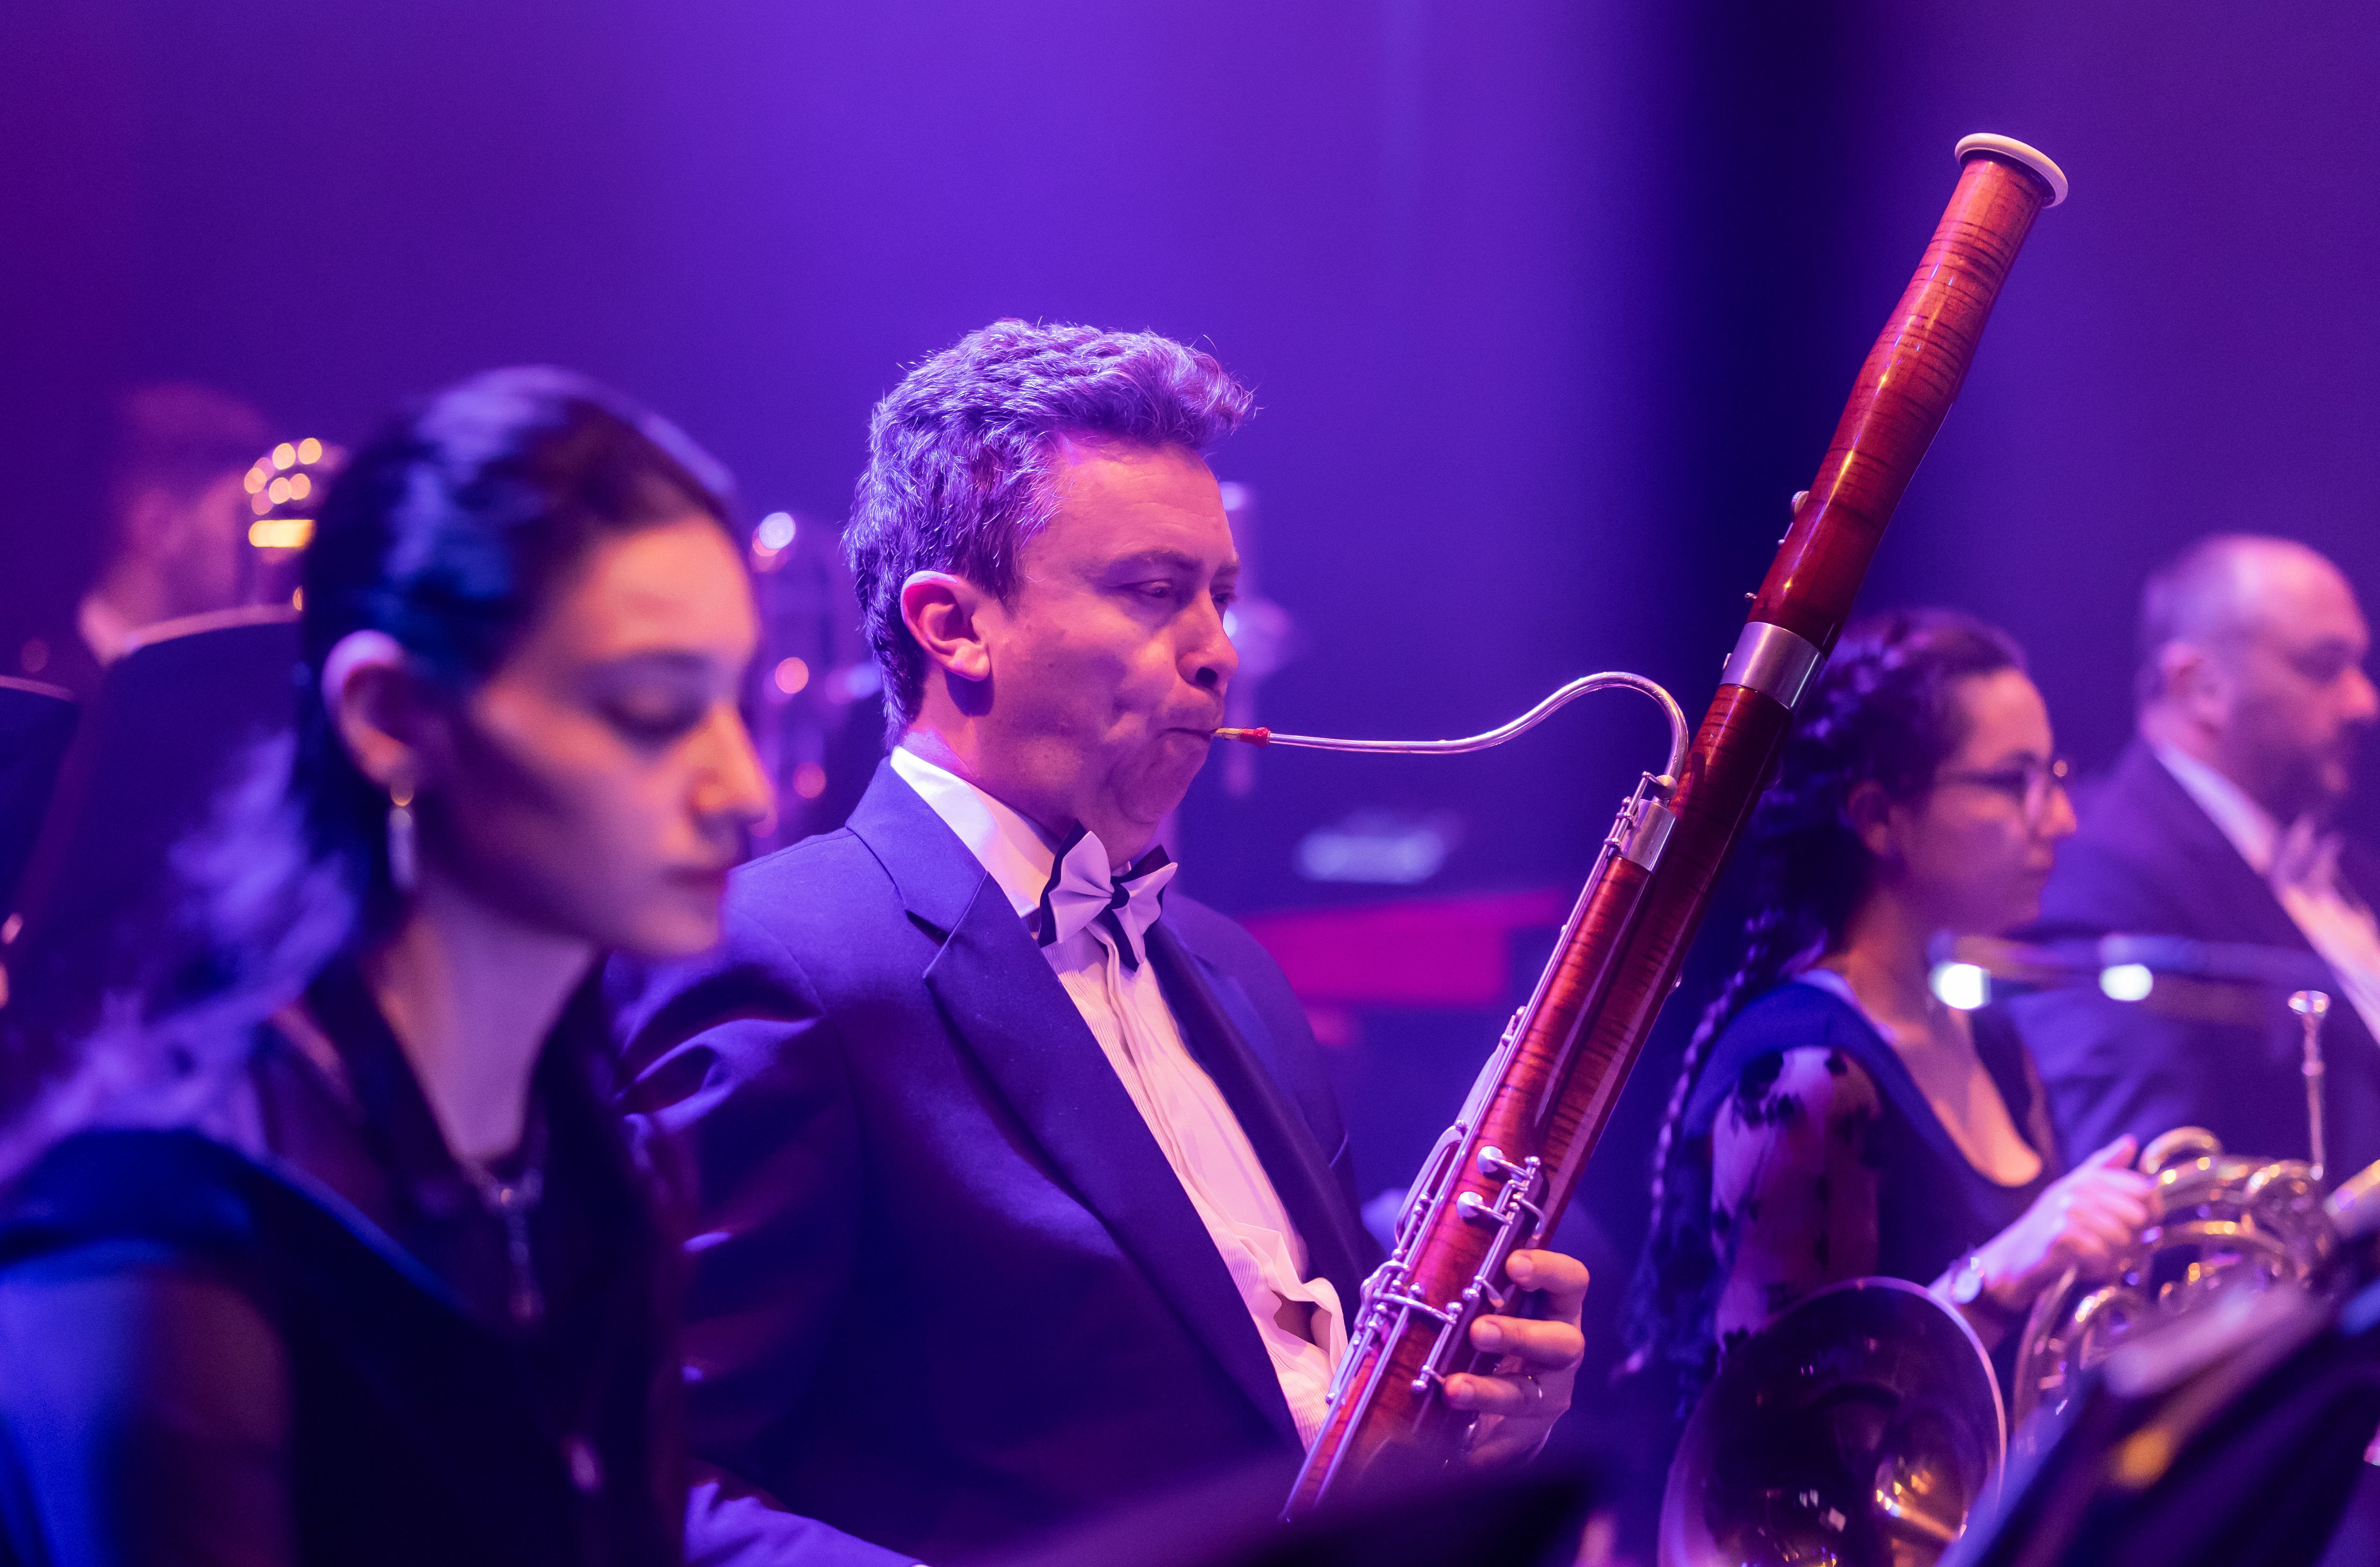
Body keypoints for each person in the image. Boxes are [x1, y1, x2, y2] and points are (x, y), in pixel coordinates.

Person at [618, 320, 1590, 1563]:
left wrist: (1469, 1424)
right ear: (953, 626)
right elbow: (640, 1489)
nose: (1218, 653)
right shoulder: (785, 961)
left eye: (1222, 597)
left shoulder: (1238, 976)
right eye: (1151, 593)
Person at [0, 369, 891, 1565]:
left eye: (726, 703)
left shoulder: (573, 1153)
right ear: (386, 716)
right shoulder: (162, 1224)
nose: (739, 787)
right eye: (647, 708)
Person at [1625, 610, 2160, 1408]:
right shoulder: (1805, 1071)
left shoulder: (1987, 1033)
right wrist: (2002, 1273)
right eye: (2012, 781)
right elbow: (1775, 1425)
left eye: (2052, 776)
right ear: (1877, 815)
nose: (2060, 819)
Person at [2017, 535, 2380, 1174]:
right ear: (2200, 686)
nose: (2364, 703)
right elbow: (2163, 1194)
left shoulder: (2349, 867)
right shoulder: (2100, 875)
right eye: (2325, 667)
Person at [9, 382, 273, 698]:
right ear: (158, 527)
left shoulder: (215, 694)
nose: (266, 550)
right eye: (243, 519)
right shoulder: (44, 709)